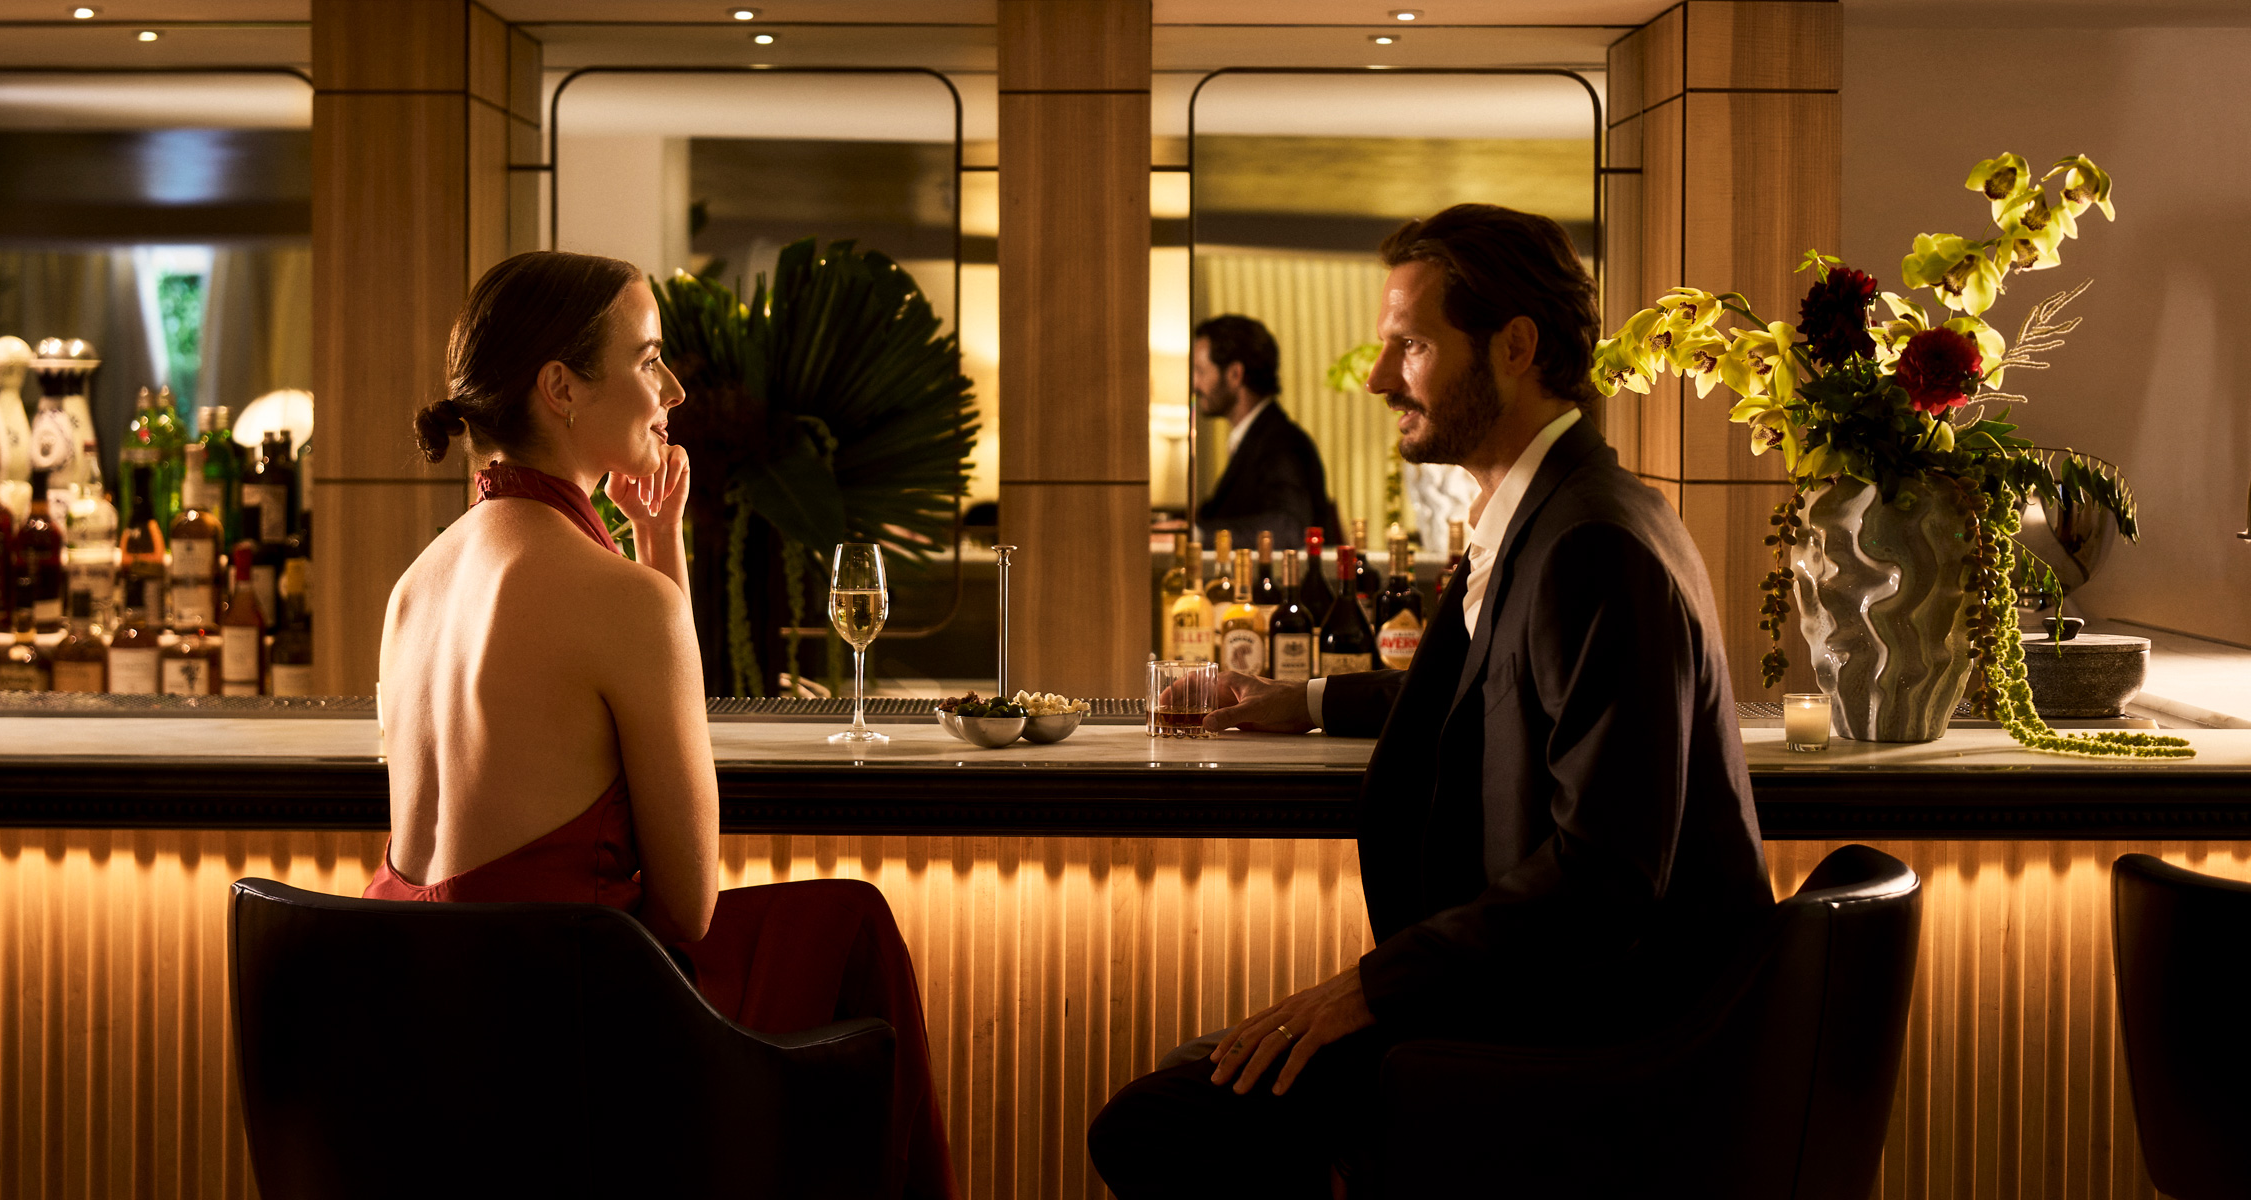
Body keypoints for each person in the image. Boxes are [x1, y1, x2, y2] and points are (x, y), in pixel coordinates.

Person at [1089, 205, 1774, 1196]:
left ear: (1515, 346)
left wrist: (1370, 989)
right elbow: (1488, 687)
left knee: (1162, 1125)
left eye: (1407, 345)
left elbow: (1606, 876)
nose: (1376, 380)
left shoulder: (1590, 545)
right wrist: (1310, 701)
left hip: (1600, 1050)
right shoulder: (1556, 512)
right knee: (1199, 1092)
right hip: (1549, 1011)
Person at [374, 250, 954, 1199]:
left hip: (413, 1026)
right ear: (560, 388)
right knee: (854, 926)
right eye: (647, 360)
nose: (675, 389)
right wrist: (648, 574)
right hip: (557, 1043)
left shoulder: (418, 584)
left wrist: (658, 546)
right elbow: (687, 908)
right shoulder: (613, 600)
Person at [1190, 314, 1339, 549]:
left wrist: (1196, 536)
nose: (1193, 384)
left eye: (1199, 370)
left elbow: (1289, 529)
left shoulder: (1281, 442)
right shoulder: (1259, 437)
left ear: (1235, 374)